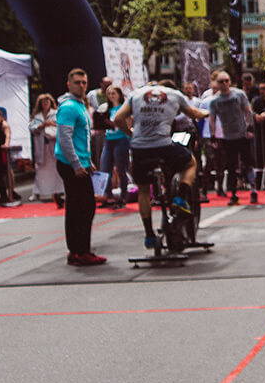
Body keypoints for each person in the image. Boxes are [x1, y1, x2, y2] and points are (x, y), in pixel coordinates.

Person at [113, 79, 208, 253]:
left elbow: (118, 118)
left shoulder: (135, 95)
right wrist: (206, 113)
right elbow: (193, 113)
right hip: (163, 145)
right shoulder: (175, 94)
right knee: (190, 163)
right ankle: (180, 197)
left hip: (140, 148)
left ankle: (149, 234)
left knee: (143, 190)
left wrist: (131, 133)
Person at [54, 69, 106, 266]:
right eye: (77, 82)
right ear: (69, 84)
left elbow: (81, 138)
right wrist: (77, 164)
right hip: (70, 164)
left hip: (79, 162)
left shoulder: (79, 105)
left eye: (84, 82)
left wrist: (87, 161)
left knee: (81, 207)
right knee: (82, 208)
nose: (81, 86)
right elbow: (65, 138)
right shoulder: (68, 107)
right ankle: (79, 251)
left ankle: (79, 249)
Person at [208, 71, 256, 205]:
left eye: (226, 81)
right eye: (221, 81)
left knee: (248, 163)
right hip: (228, 137)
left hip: (242, 134)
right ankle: (233, 194)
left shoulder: (239, 94)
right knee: (231, 166)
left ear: (230, 81)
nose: (224, 84)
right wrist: (213, 136)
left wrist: (250, 127)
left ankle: (253, 189)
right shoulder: (215, 101)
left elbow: (247, 111)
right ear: (217, 83)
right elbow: (212, 119)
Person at [28, 93, 64, 208]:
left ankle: (59, 190)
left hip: (53, 144)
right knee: (41, 169)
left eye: (47, 102)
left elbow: (61, 127)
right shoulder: (37, 116)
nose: (45, 104)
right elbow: (32, 128)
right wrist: (43, 125)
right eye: (43, 102)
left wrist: (51, 126)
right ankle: (40, 192)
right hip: (42, 146)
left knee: (56, 169)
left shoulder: (56, 113)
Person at [98, 86, 130, 208]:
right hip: (108, 140)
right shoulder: (106, 108)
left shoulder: (124, 107)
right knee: (105, 169)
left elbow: (128, 123)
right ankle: (108, 196)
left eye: (114, 93)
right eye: (109, 93)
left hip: (121, 139)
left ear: (119, 94)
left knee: (121, 169)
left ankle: (123, 196)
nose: (111, 95)